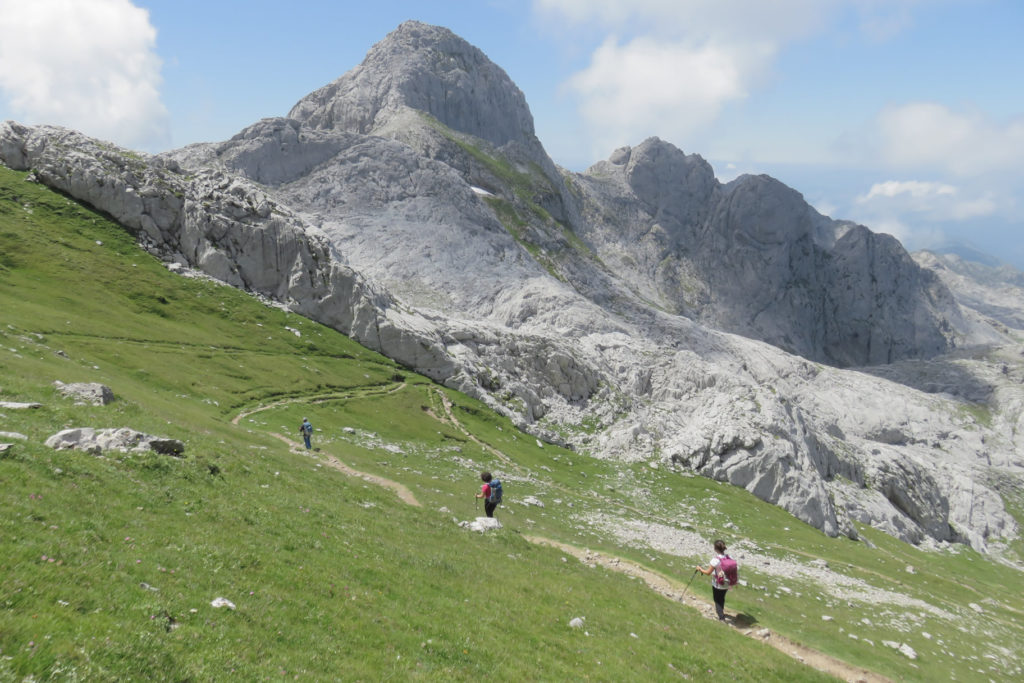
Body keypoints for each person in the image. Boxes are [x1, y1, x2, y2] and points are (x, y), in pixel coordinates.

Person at [696, 539, 732, 621]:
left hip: (718, 583)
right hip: (727, 582)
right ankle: (721, 612)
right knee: (722, 598)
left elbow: (708, 572)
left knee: (717, 600)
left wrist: (700, 569)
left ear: (715, 549)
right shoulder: (729, 557)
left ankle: (721, 618)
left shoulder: (715, 560)